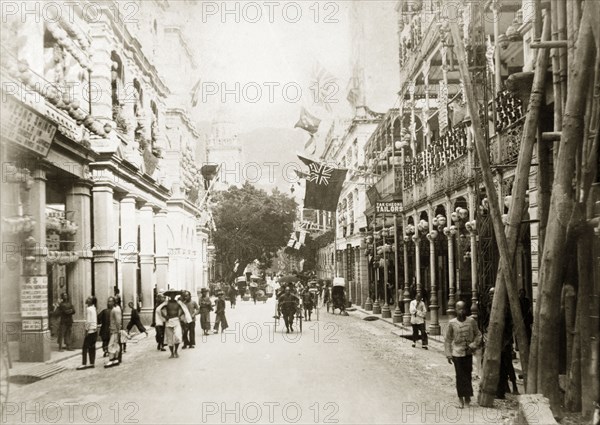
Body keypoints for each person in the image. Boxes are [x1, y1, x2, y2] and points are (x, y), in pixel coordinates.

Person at [445, 301, 482, 408]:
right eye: (459, 309)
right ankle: (461, 398)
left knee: (467, 375)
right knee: (460, 376)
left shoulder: (471, 321)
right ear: (456, 310)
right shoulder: (452, 323)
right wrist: (448, 354)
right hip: (457, 353)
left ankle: (468, 397)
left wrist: (473, 345)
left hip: (468, 352)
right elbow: (448, 339)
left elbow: (478, 335)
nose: (461, 311)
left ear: (466, 310)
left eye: (463, 309)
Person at [159, 291, 192, 358]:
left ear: (175, 295)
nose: (172, 296)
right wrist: (165, 317)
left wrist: (180, 315)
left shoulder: (178, 303)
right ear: (169, 296)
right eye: (171, 295)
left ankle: (176, 351)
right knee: (169, 338)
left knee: (177, 336)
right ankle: (171, 353)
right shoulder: (166, 303)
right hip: (169, 321)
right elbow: (159, 310)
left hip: (176, 320)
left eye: (173, 295)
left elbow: (184, 309)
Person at [77, 296, 98, 370]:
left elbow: (88, 321)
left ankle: (84, 363)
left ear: (91, 301)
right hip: (94, 330)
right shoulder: (94, 308)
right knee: (92, 347)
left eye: (89, 299)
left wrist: (86, 330)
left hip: (90, 330)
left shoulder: (88, 309)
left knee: (85, 347)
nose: (87, 299)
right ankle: (92, 362)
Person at [105, 296, 122, 367]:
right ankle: (116, 359)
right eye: (108, 301)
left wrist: (118, 330)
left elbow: (118, 321)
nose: (109, 303)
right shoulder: (116, 309)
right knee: (115, 345)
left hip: (115, 330)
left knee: (111, 345)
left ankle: (111, 360)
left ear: (114, 302)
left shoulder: (115, 310)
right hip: (114, 330)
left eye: (110, 301)